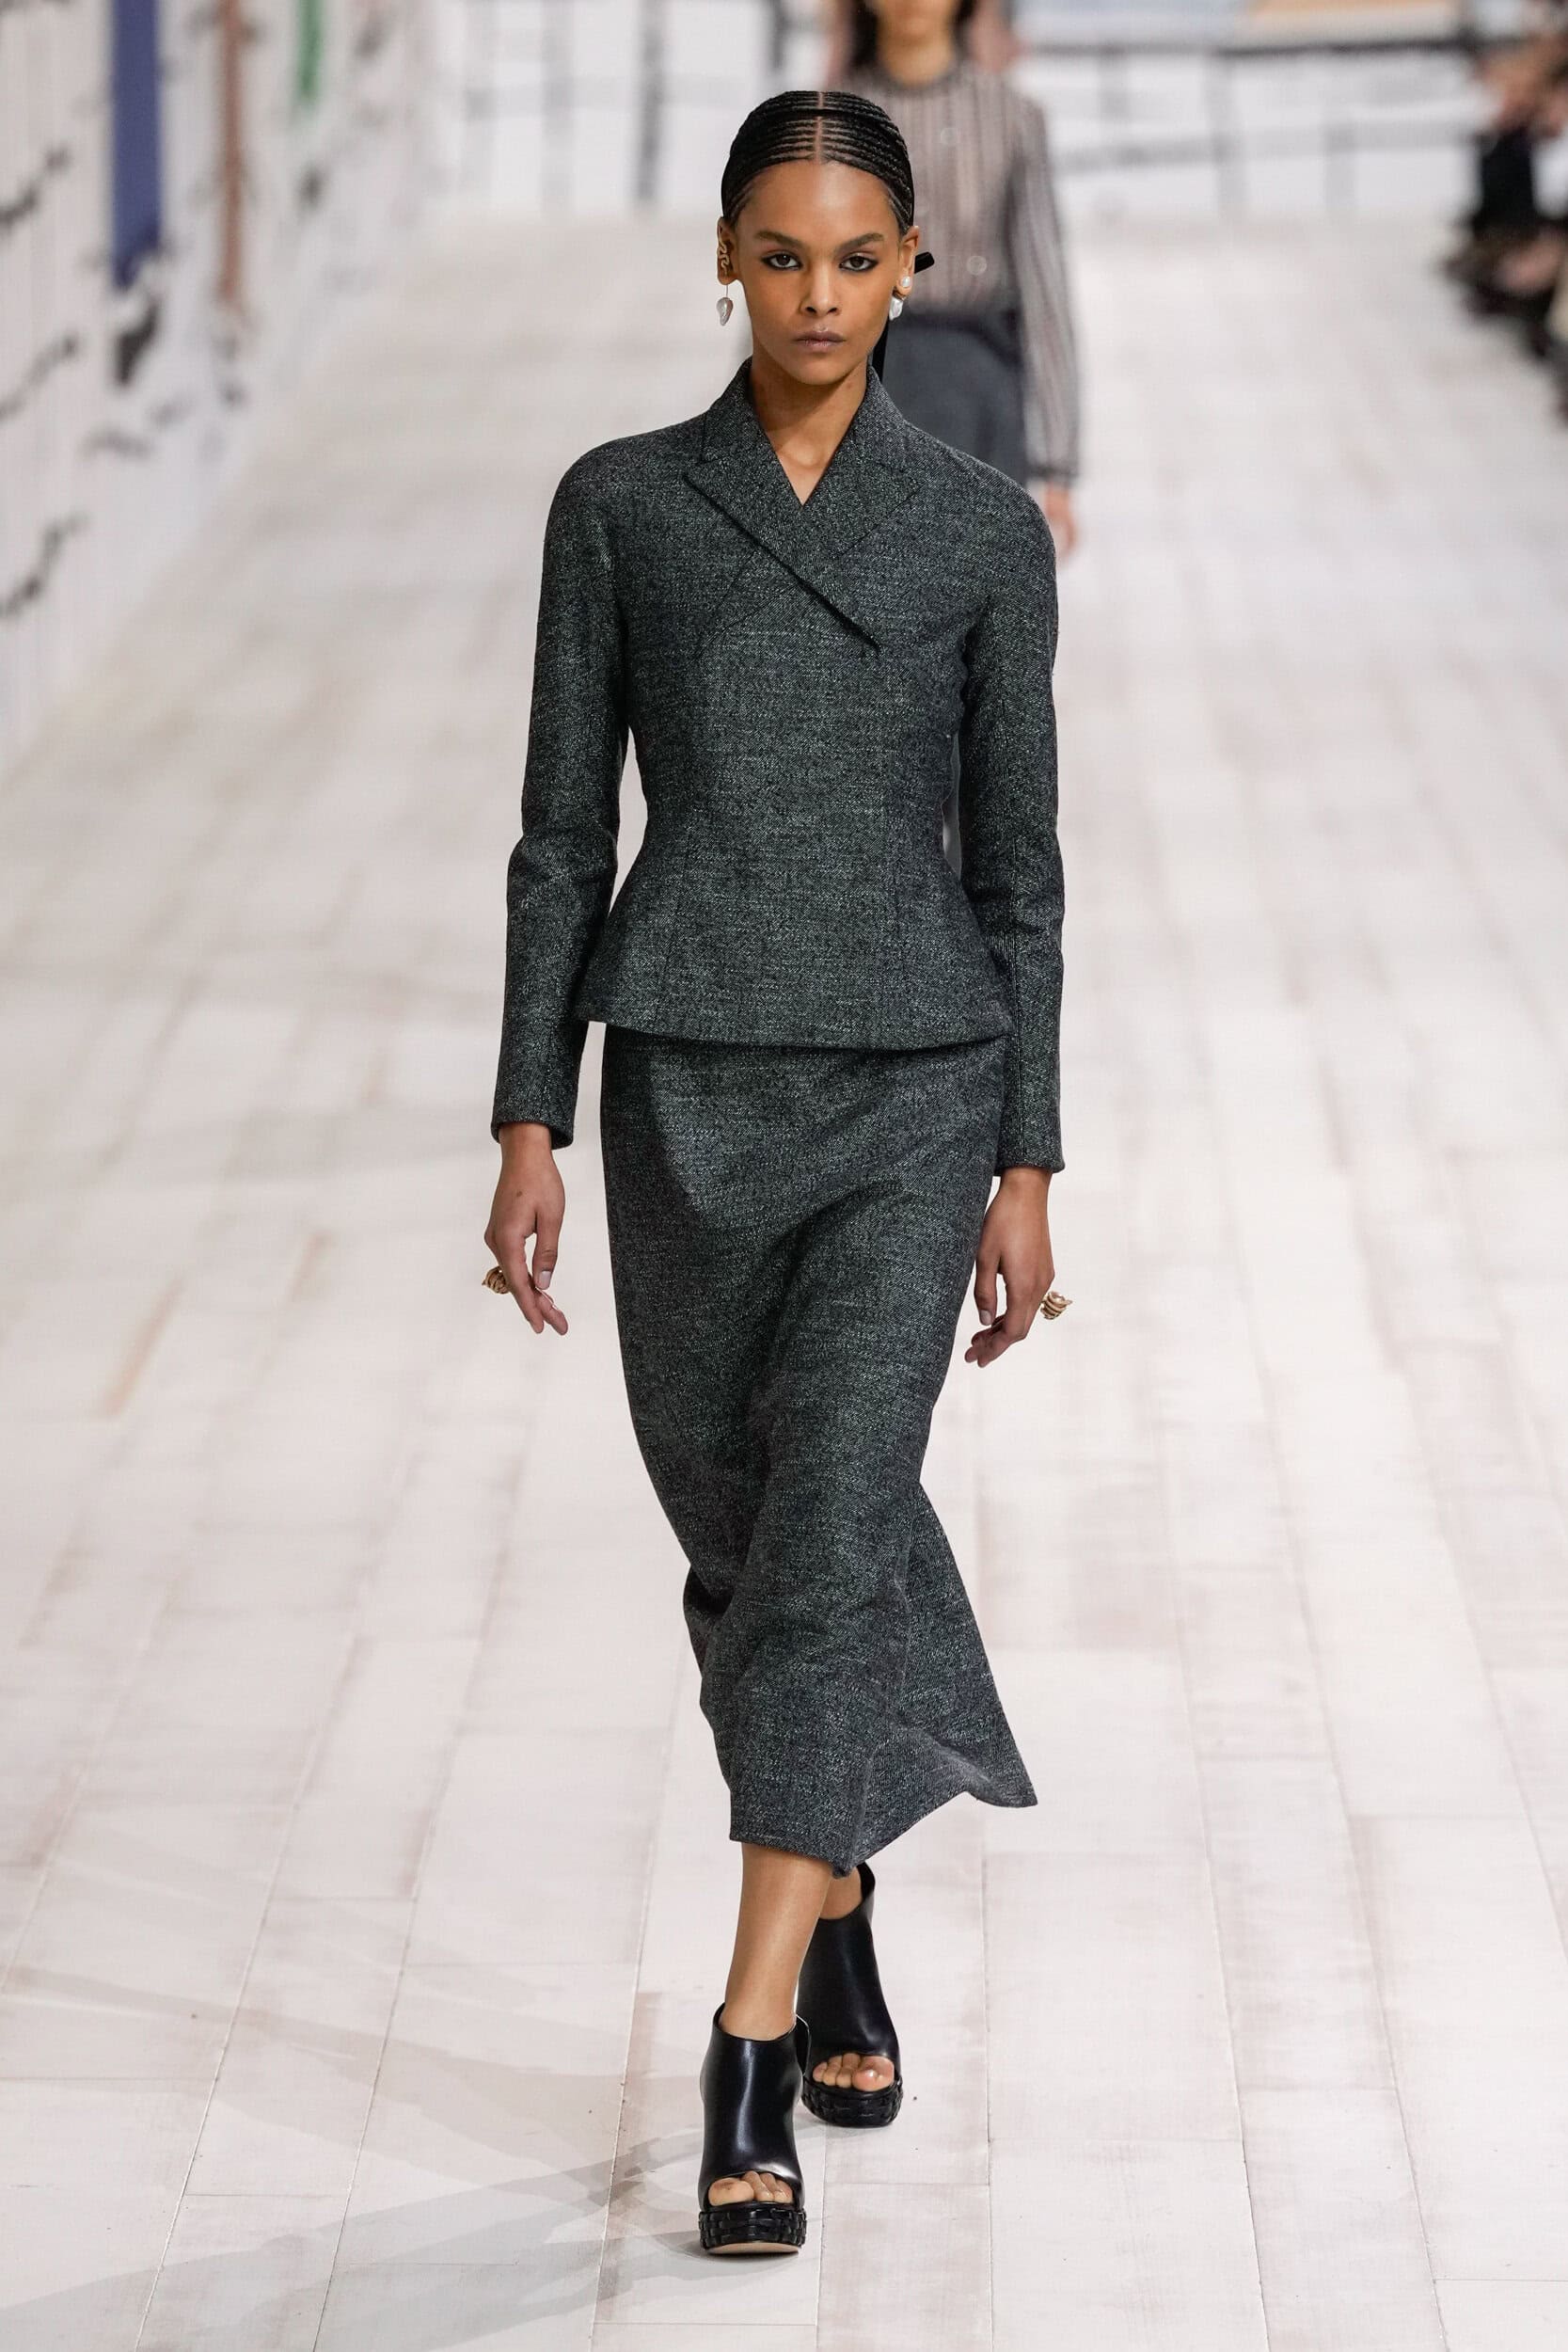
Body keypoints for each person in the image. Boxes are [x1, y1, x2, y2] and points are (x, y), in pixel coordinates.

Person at [484, 87, 1065, 2258]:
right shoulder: (622, 507)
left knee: (824, 1522)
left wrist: (1026, 1153)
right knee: (744, 1536)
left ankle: (742, 2051)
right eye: (779, 255)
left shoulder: (978, 533)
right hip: (688, 1087)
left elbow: (1018, 869)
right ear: (725, 261)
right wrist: (528, 1111)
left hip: (911, 1078)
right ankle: (834, 1893)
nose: (818, 296)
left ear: (912, 267)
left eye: (855, 257)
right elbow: (562, 831)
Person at [834, 0, 1083, 559]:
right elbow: (783, 287)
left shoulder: (1012, 117)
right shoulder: (829, 121)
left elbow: (1046, 289)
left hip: (982, 396)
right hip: (855, 395)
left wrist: (1057, 464)